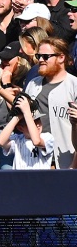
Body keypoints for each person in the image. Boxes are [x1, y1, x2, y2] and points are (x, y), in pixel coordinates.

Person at [23, 38, 77, 168]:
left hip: (66, 160)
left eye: (46, 56)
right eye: (39, 56)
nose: (40, 60)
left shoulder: (74, 85)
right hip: (35, 160)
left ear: (61, 58)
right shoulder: (33, 84)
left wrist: (73, 164)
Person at [0, 94, 54, 168]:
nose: (37, 125)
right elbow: (0, 141)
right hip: (20, 179)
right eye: (33, 122)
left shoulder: (47, 137)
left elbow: (36, 141)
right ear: (20, 128)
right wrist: (18, 116)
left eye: (38, 120)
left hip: (39, 179)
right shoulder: (17, 139)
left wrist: (27, 112)